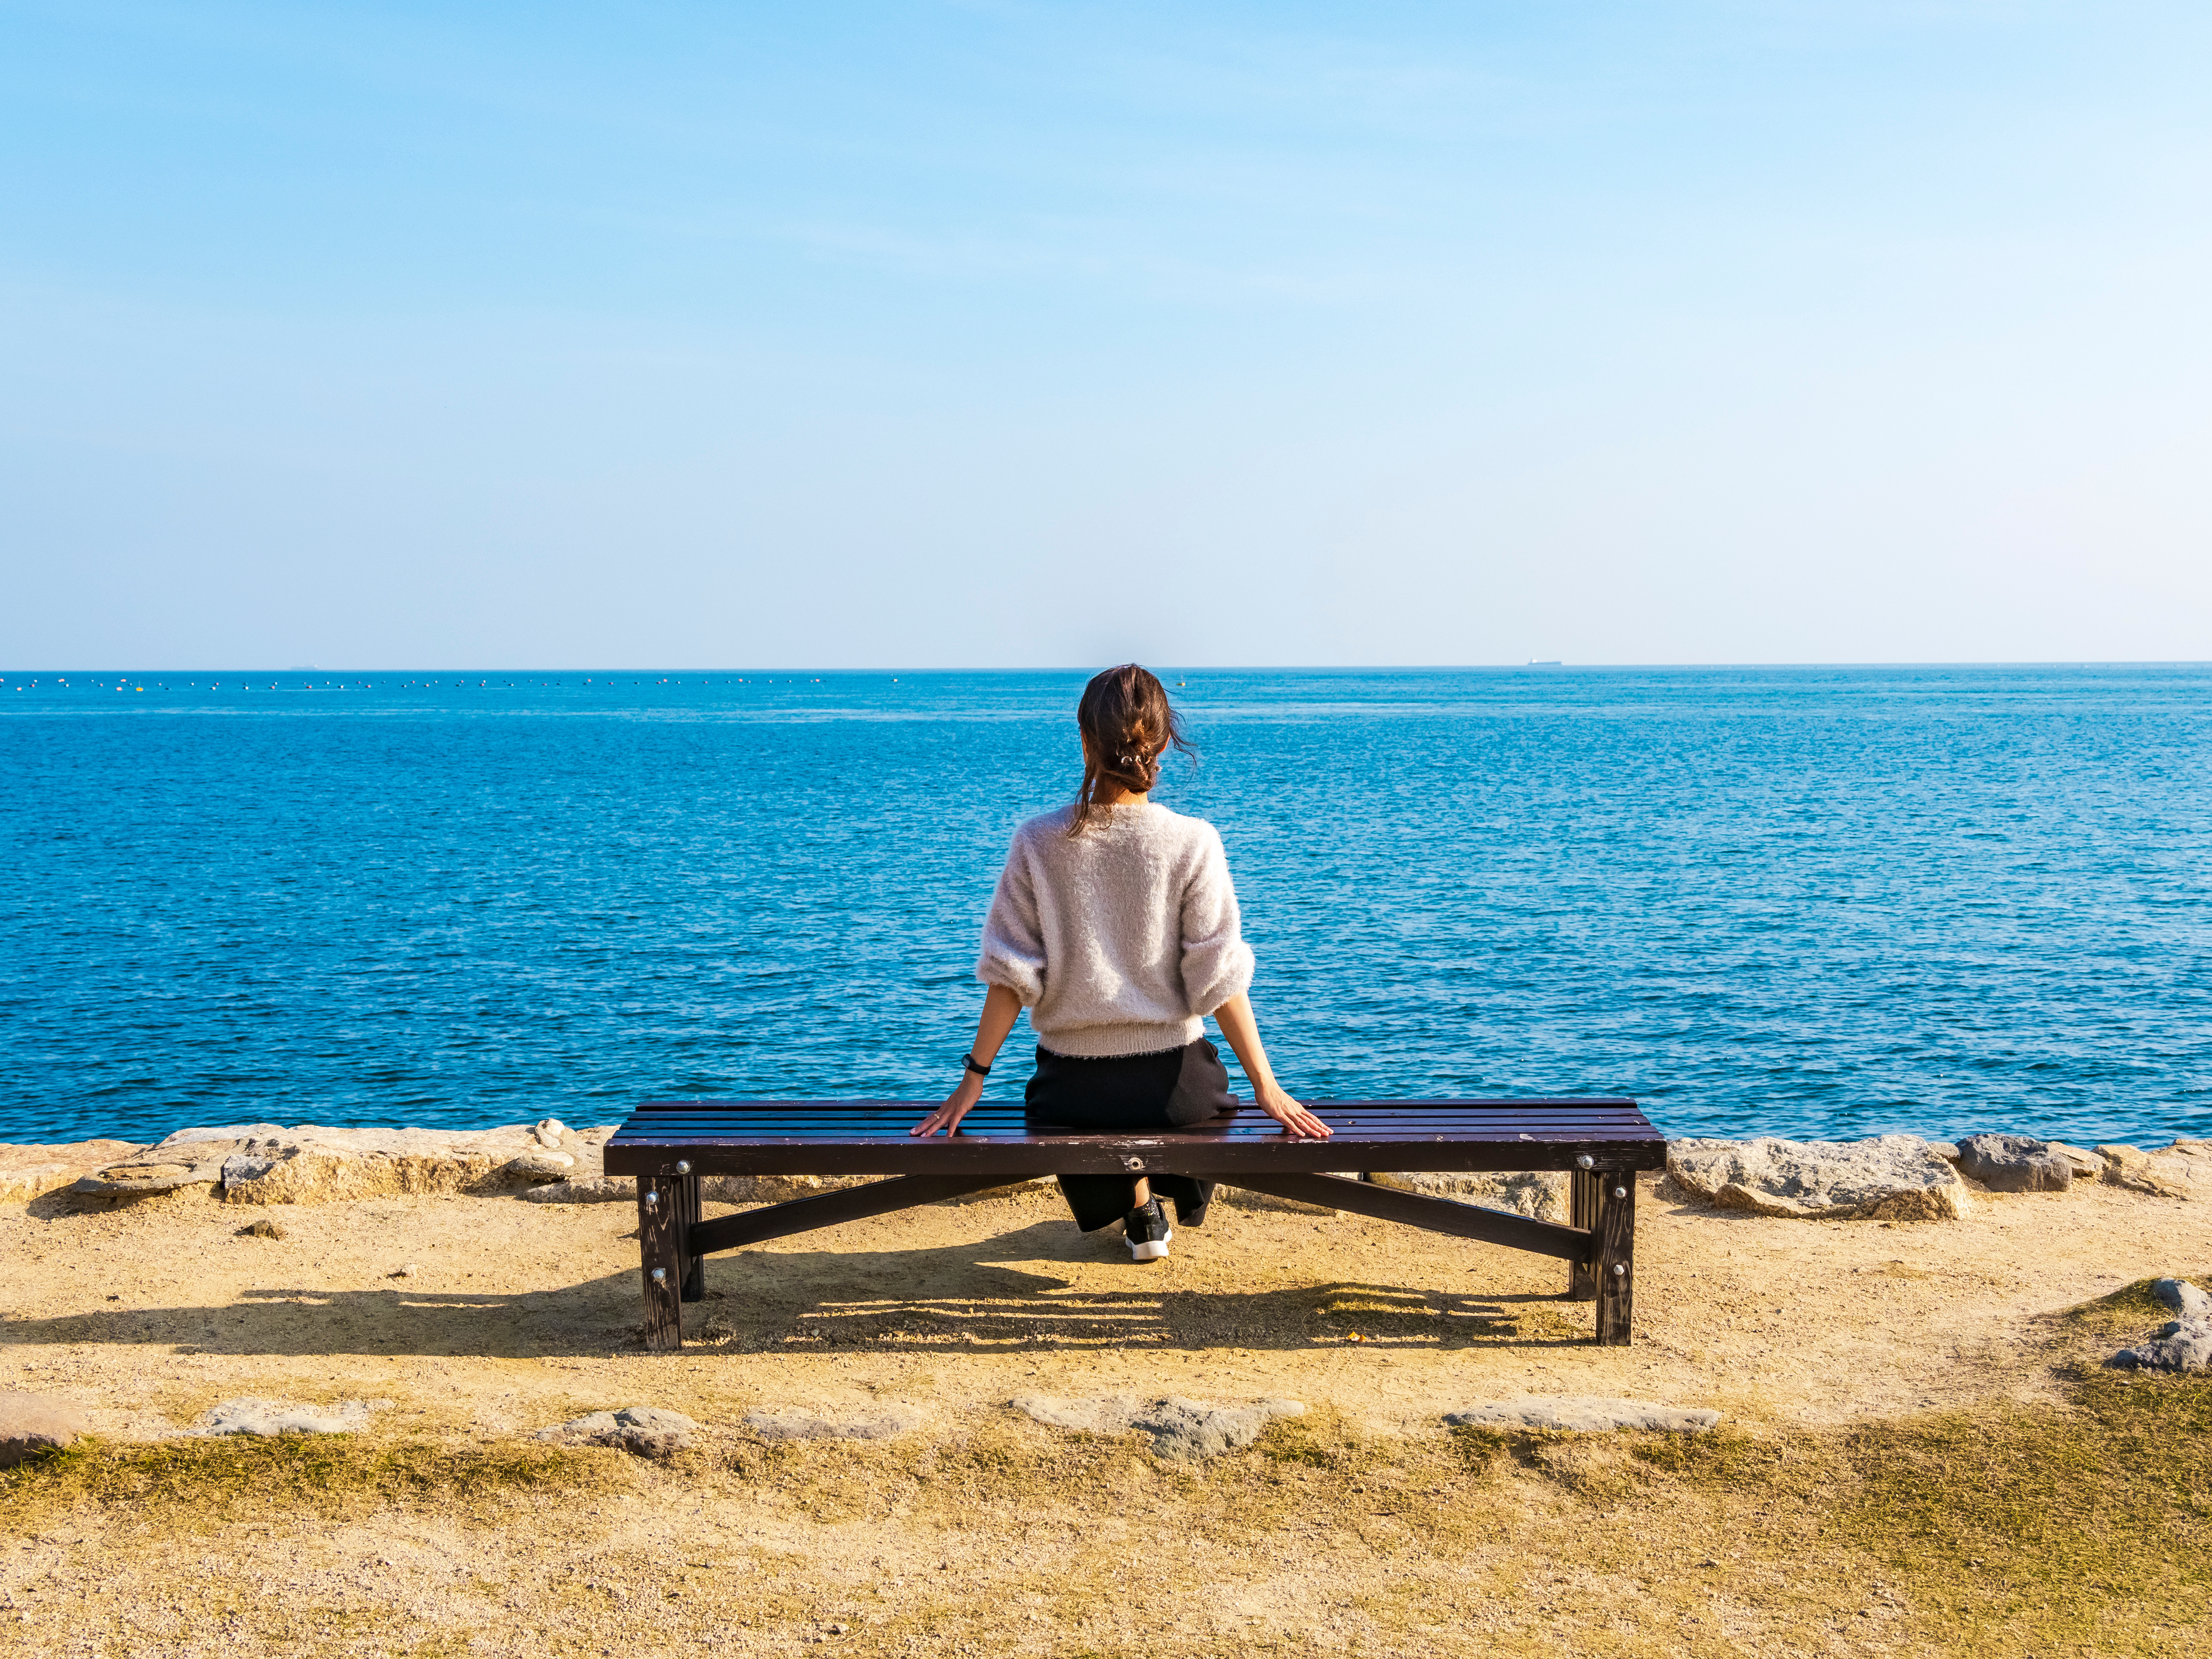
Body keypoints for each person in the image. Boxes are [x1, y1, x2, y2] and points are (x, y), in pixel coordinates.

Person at [910, 663, 1330, 1261]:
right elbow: (1217, 980)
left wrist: (971, 1080)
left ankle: (1138, 1210)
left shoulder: (1037, 842)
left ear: (1084, 740)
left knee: (1073, 1113)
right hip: (1176, 1092)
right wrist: (1267, 1086)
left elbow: (1010, 977)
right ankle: (1151, 1205)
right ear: (1161, 745)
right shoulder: (1193, 841)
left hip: (1072, 1095)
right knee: (1202, 1096)